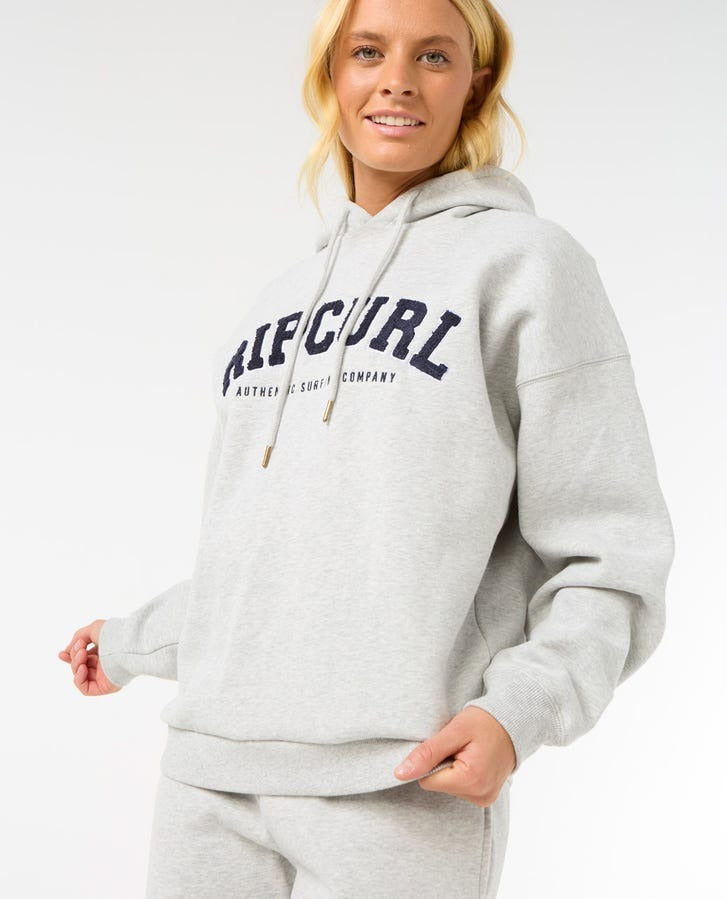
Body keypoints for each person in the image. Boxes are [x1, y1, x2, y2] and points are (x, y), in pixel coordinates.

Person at [59, 0, 675, 896]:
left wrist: (518, 713)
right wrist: (130, 641)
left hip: (403, 775)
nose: (397, 80)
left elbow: (609, 550)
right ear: (331, 78)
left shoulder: (528, 266)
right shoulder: (278, 302)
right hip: (207, 776)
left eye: (434, 56)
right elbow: (267, 551)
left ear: (475, 85)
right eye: (367, 51)